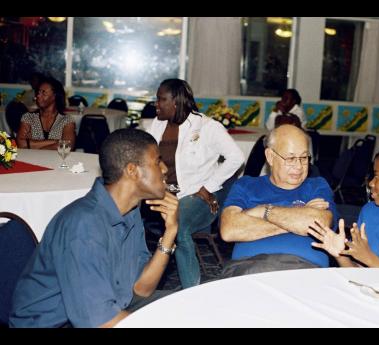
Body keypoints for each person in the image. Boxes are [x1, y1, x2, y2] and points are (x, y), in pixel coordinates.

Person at [9, 129, 179, 328]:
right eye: (157, 161)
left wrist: (170, 232)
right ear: (132, 170)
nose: (165, 169)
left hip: (106, 308)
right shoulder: (83, 227)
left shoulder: (130, 211)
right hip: (54, 324)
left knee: (185, 306)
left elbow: (141, 289)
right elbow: (99, 323)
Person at [146, 78, 245, 289]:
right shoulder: (156, 124)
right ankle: (137, 280)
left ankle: (191, 291)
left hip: (198, 197)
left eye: (161, 99)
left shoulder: (208, 127)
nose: (156, 104)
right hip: (163, 195)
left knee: (179, 226)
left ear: (176, 102)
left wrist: (208, 187)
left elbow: (236, 158)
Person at [220, 124, 337, 277]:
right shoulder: (246, 185)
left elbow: (318, 223)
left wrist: (264, 211)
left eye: (304, 157)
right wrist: (300, 216)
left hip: (305, 270)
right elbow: (229, 230)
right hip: (248, 268)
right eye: (290, 158)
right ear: (270, 156)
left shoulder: (317, 186)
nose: (299, 166)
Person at [16, 76, 76, 150]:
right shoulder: (28, 117)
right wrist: (56, 142)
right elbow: (21, 145)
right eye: (38, 92)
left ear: (55, 96)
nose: (38, 95)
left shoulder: (66, 120)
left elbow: (67, 146)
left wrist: (32, 144)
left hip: (56, 161)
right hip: (32, 160)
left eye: (43, 92)